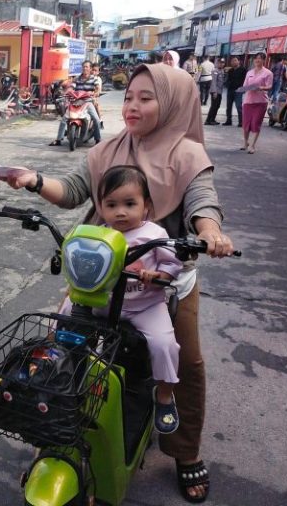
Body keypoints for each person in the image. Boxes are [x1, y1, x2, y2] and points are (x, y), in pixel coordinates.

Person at [3, 64, 234, 503]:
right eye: (129, 97)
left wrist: (209, 233)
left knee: (184, 361)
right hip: (102, 277)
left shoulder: (187, 156)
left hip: (163, 281)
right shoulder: (107, 149)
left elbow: (204, 202)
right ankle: (57, 442)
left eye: (147, 98)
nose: (132, 106)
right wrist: (31, 179)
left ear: (174, 104)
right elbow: (73, 191)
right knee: (64, 349)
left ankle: (184, 452)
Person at [92, 165, 183, 434]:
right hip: (105, 303)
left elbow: (173, 265)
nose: (120, 211)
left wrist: (157, 275)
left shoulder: (155, 235)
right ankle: (53, 364)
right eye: (112, 204)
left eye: (130, 203)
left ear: (146, 207)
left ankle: (164, 395)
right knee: (65, 318)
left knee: (165, 344)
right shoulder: (99, 233)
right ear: (101, 207)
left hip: (146, 305)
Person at [49, 60, 103, 146]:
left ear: (90, 68)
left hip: (88, 102)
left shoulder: (94, 78)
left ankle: (98, 139)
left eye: (87, 67)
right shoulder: (77, 78)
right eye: (83, 67)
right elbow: (71, 87)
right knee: (64, 119)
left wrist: (95, 93)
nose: (85, 68)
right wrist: (66, 92)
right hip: (76, 101)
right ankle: (58, 140)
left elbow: (97, 88)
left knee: (96, 119)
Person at [240, 52, 273, 154]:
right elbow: (245, 85)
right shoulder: (249, 72)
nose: (257, 60)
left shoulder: (268, 73)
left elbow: (269, 86)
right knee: (245, 124)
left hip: (260, 102)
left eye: (260, 59)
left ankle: (252, 145)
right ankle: (245, 143)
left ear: (264, 60)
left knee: (255, 123)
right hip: (248, 101)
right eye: (256, 59)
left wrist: (260, 88)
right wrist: (243, 89)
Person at [224, 56, 246, 126]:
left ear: (239, 61)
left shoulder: (243, 70)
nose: (233, 62)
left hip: (239, 91)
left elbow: (245, 81)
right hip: (230, 90)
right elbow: (228, 80)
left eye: (235, 60)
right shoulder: (230, 71)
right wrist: (227, 85)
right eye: (232, 61)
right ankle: (228, 120)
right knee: (228, 106)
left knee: (239, 106)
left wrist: (243, 89)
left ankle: (241, 122)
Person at [204, 58, 226, 126]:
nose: (221, 64)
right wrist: (214, 92)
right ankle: (208, 120)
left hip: (219, 91)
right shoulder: (214, 71)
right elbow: (213, 82)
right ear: (217, 63)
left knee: (217, 105)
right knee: (214, 106)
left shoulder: (222, 71)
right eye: (220, 63)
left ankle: (212, 119)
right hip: (215, 91)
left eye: (222, 63)